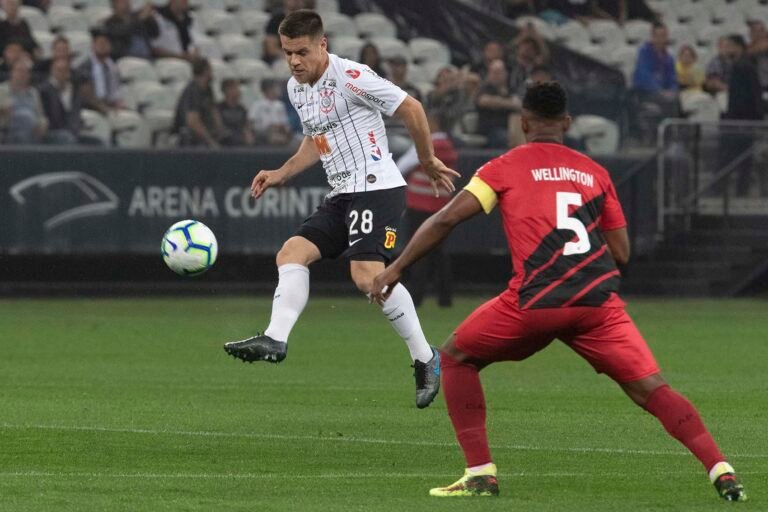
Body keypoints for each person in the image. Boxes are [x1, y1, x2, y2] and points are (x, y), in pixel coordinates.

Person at [370, 81, 747, 502]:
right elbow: (621, 252)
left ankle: (480, 473)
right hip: (597, 305)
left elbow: (445, 220)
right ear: (567, 123)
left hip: (533, 302)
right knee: (653, 389)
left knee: (455, 358)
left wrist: (397, 268)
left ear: (524, 122)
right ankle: (721, 468)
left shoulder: (504, 166)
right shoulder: (595, 172)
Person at [222, 10, 460, 409]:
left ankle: (426, 358)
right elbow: (316, 140)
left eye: (301, 52)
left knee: (367, 277)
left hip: (377, 187)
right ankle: (275, 338)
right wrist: (282, 172)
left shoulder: (351, 76)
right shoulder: (296, 89)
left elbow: (412, 108)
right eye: (286, 53)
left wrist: (427, 158)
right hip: (342, 193)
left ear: (322, 45)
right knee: (291, 253)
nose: (294, 61)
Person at [396, 113, 457, 307]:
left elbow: (401, 166)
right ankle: (445, 298)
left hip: (419, 204)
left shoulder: (425, 143)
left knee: (417, 251)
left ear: (432, 123)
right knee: (440, 253)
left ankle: (416, 296)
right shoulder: (448, 146)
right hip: (441, 206)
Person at [173, 57, 222, 147]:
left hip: (207, 131)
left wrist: (220, 130)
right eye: (210, 70)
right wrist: (210, 141)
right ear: (205, 71)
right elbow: (193, 122)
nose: (212, 73)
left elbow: (214, 111)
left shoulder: (208, 89)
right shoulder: (193, 91)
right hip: (191, 135)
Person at [475, 58, 520, 148]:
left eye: (499, 72)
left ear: (505, 74)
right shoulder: (485, 88)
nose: (496, 76)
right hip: (490, 129)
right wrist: (509, 103)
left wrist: (497, 102)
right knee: (503, 138)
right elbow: (483, 101)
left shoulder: (511, 90)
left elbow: (519, 105)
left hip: (510, 128)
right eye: (493, 72)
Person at [0, 57, 47, 143]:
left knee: (62, 137)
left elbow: (40, 114)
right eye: (19, 71)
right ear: (12, 73)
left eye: (26, 72)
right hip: (9, 131)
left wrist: (43, 123)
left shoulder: (33, 92)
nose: (22, 74)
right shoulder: (2, 90)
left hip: (34, 131)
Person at [77, 30, 124, 115]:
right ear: (93, 46)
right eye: (100, 43)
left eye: (106, 43)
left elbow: (116, 91)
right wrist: (103, 108)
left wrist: (118, 103)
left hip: (109, 104)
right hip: (91, 108)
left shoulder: (112, 67)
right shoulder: (84, 67)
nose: (103, 46)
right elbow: (86, 94)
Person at [247, 78, 292, 145]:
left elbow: (285, 124)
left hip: (279, 132)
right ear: (268, 89)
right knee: (275, 138)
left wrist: (282, 128)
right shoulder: (258, 104)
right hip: (262, 133)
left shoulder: (280, 105)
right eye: (275, 87)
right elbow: (251, 122)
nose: (277, 89)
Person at [217, 78, 254, 147]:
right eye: (235, 88)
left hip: (241, 138)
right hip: (226, 140)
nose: (238, 91)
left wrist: (248, 134)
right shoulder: (219, 108)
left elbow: (246, 126)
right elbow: (219, 127)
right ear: (227, 90)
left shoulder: (242, 109)